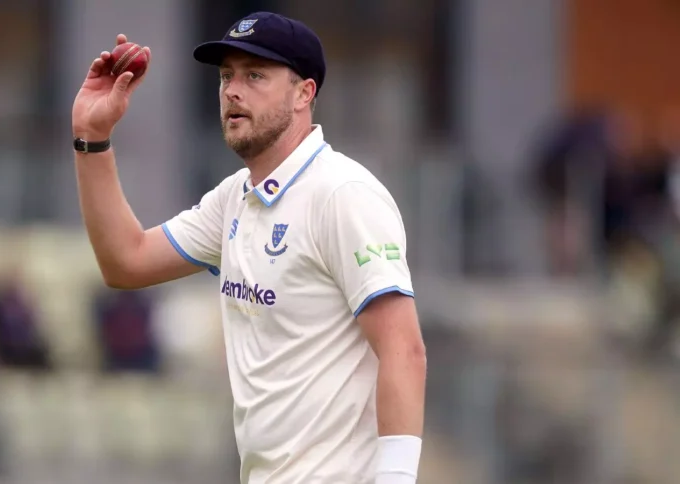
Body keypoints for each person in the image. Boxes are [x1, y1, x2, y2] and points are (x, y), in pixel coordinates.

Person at [72, 12, 426, 484]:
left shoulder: (342, 194)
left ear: (305, 93)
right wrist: (92, 137)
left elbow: (404, 349)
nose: (233, 91)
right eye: (226, 76)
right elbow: (126, 261)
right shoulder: (236, 197)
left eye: (255, 75)